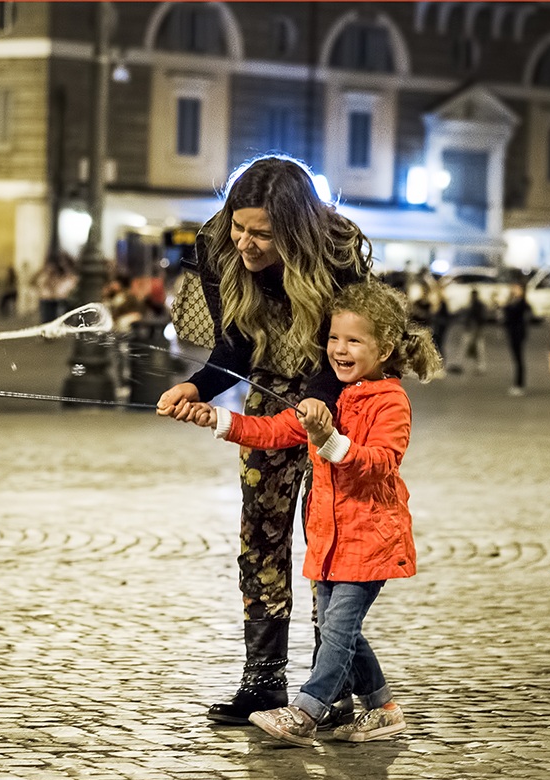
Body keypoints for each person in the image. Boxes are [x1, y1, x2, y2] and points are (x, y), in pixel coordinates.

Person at [155, 155, 372, 728]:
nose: (246, 243)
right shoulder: (216, 247)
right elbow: (233, 350)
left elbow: (349, 347)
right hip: (268, 394)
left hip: (336, 404)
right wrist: (195, 386)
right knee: (260, 535)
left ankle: (333, 686)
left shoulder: (338, 251)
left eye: (263, 234)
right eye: (240, 227)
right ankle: (263, 680)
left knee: (329, 542)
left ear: (296, 231)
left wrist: (320, 400)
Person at [179, 280, 442, 746]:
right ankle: (383, 709)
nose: (339, 349)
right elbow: (276, 430)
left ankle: (306, 711)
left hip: (370, 540)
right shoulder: (330, 396)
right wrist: (219, 419)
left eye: (354, 340)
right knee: (342, 630)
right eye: (334, 338)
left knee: (337, 631)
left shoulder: (390, 401)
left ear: (383, 350)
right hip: (329, 539)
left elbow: (381, 464)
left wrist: (330, 442)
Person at [501, 281, 532, 396]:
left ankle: (519, 384)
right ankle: (517, 384)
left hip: (518, 333)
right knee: (516, 359)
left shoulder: (521, 303)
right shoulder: (512, 301)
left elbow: (518, 312)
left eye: (517, 288)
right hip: (512, 333)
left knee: (519, 359)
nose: (514, 290)